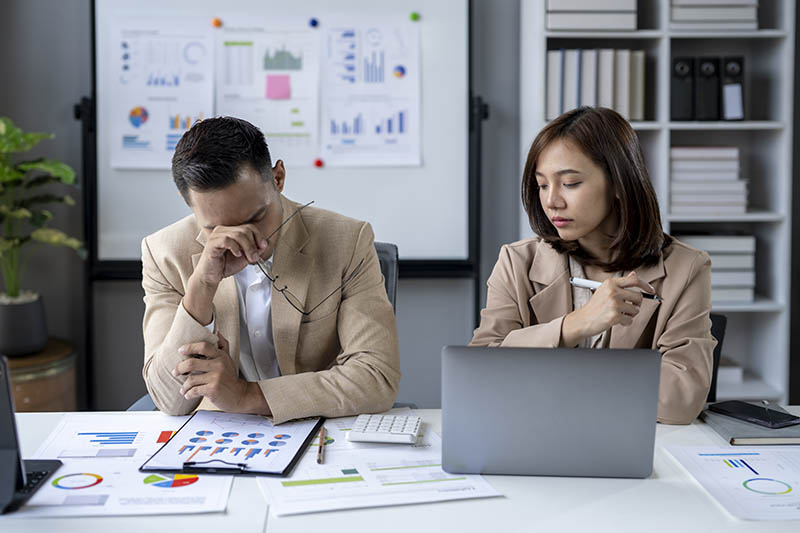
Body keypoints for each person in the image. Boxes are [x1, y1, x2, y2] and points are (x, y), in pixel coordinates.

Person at [141, 117, 400, 424]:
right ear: (188, 203)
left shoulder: (347, 241)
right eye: (216, 228)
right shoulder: (165, 253)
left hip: (316, 427)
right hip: (219, 434)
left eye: (257, 217)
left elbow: (377, 377)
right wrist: (202, 285)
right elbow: (168, 399)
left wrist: (246, 395)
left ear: (278, 177)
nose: (243, 241)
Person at [471, 107, 715, 425]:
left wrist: (547, 375)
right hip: (535, 435)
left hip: (634, 445)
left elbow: (679, 401)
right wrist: (577, 324)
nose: (551, 201)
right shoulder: (517, 261)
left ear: (619, 182)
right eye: (542, 185)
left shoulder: (687, 268)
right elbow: (479, 375)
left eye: (570, 183)